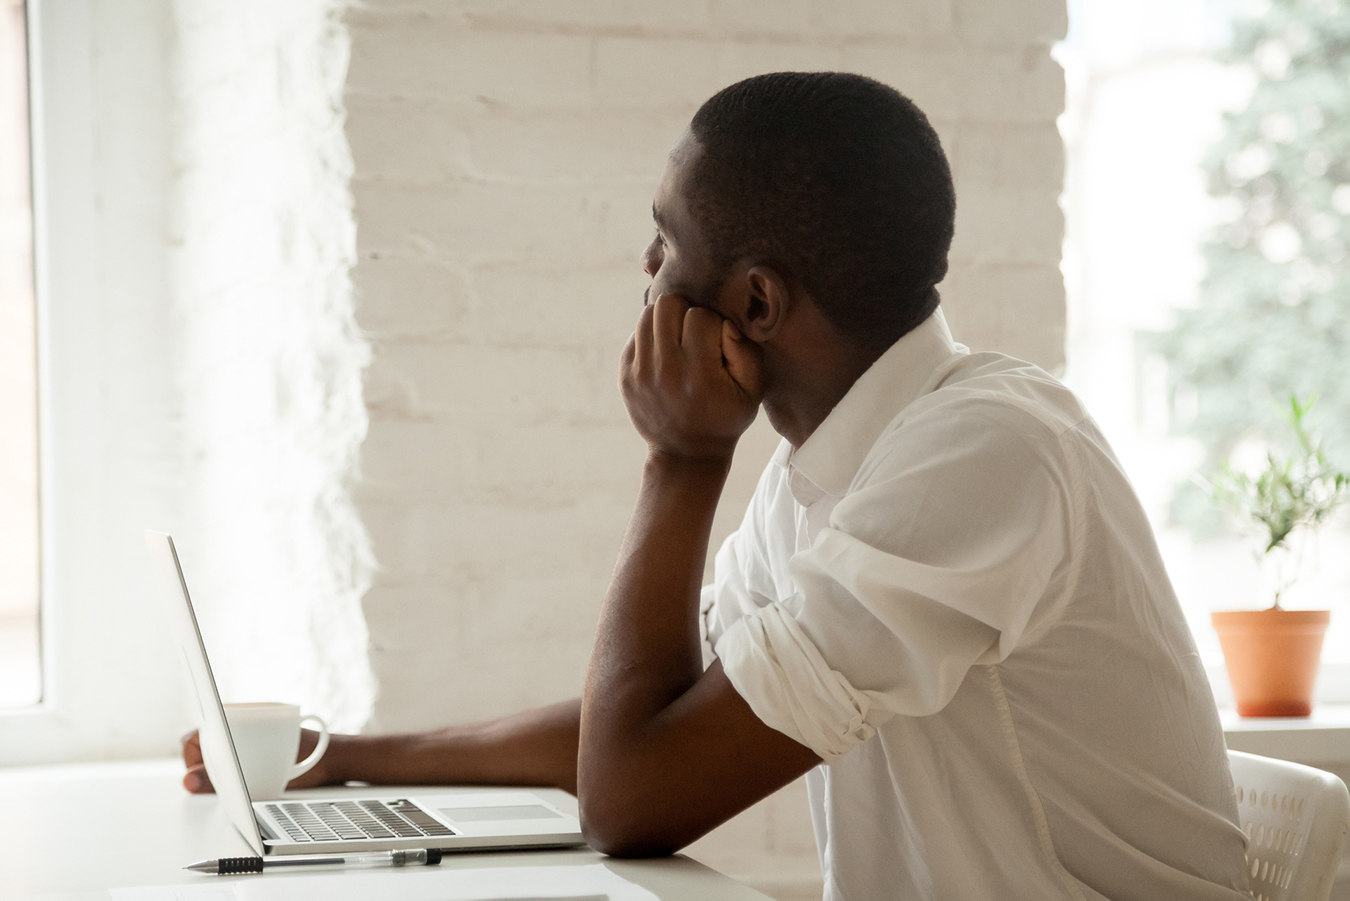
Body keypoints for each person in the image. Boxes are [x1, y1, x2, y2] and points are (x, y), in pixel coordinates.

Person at [183, 72, 1251, 899]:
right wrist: (345, 758)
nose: (645, 268)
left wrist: (681, 462)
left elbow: (633, 797)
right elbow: (652, 725)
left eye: (665, 238)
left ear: (754, 302)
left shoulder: (986, 454)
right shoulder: (831, 464)